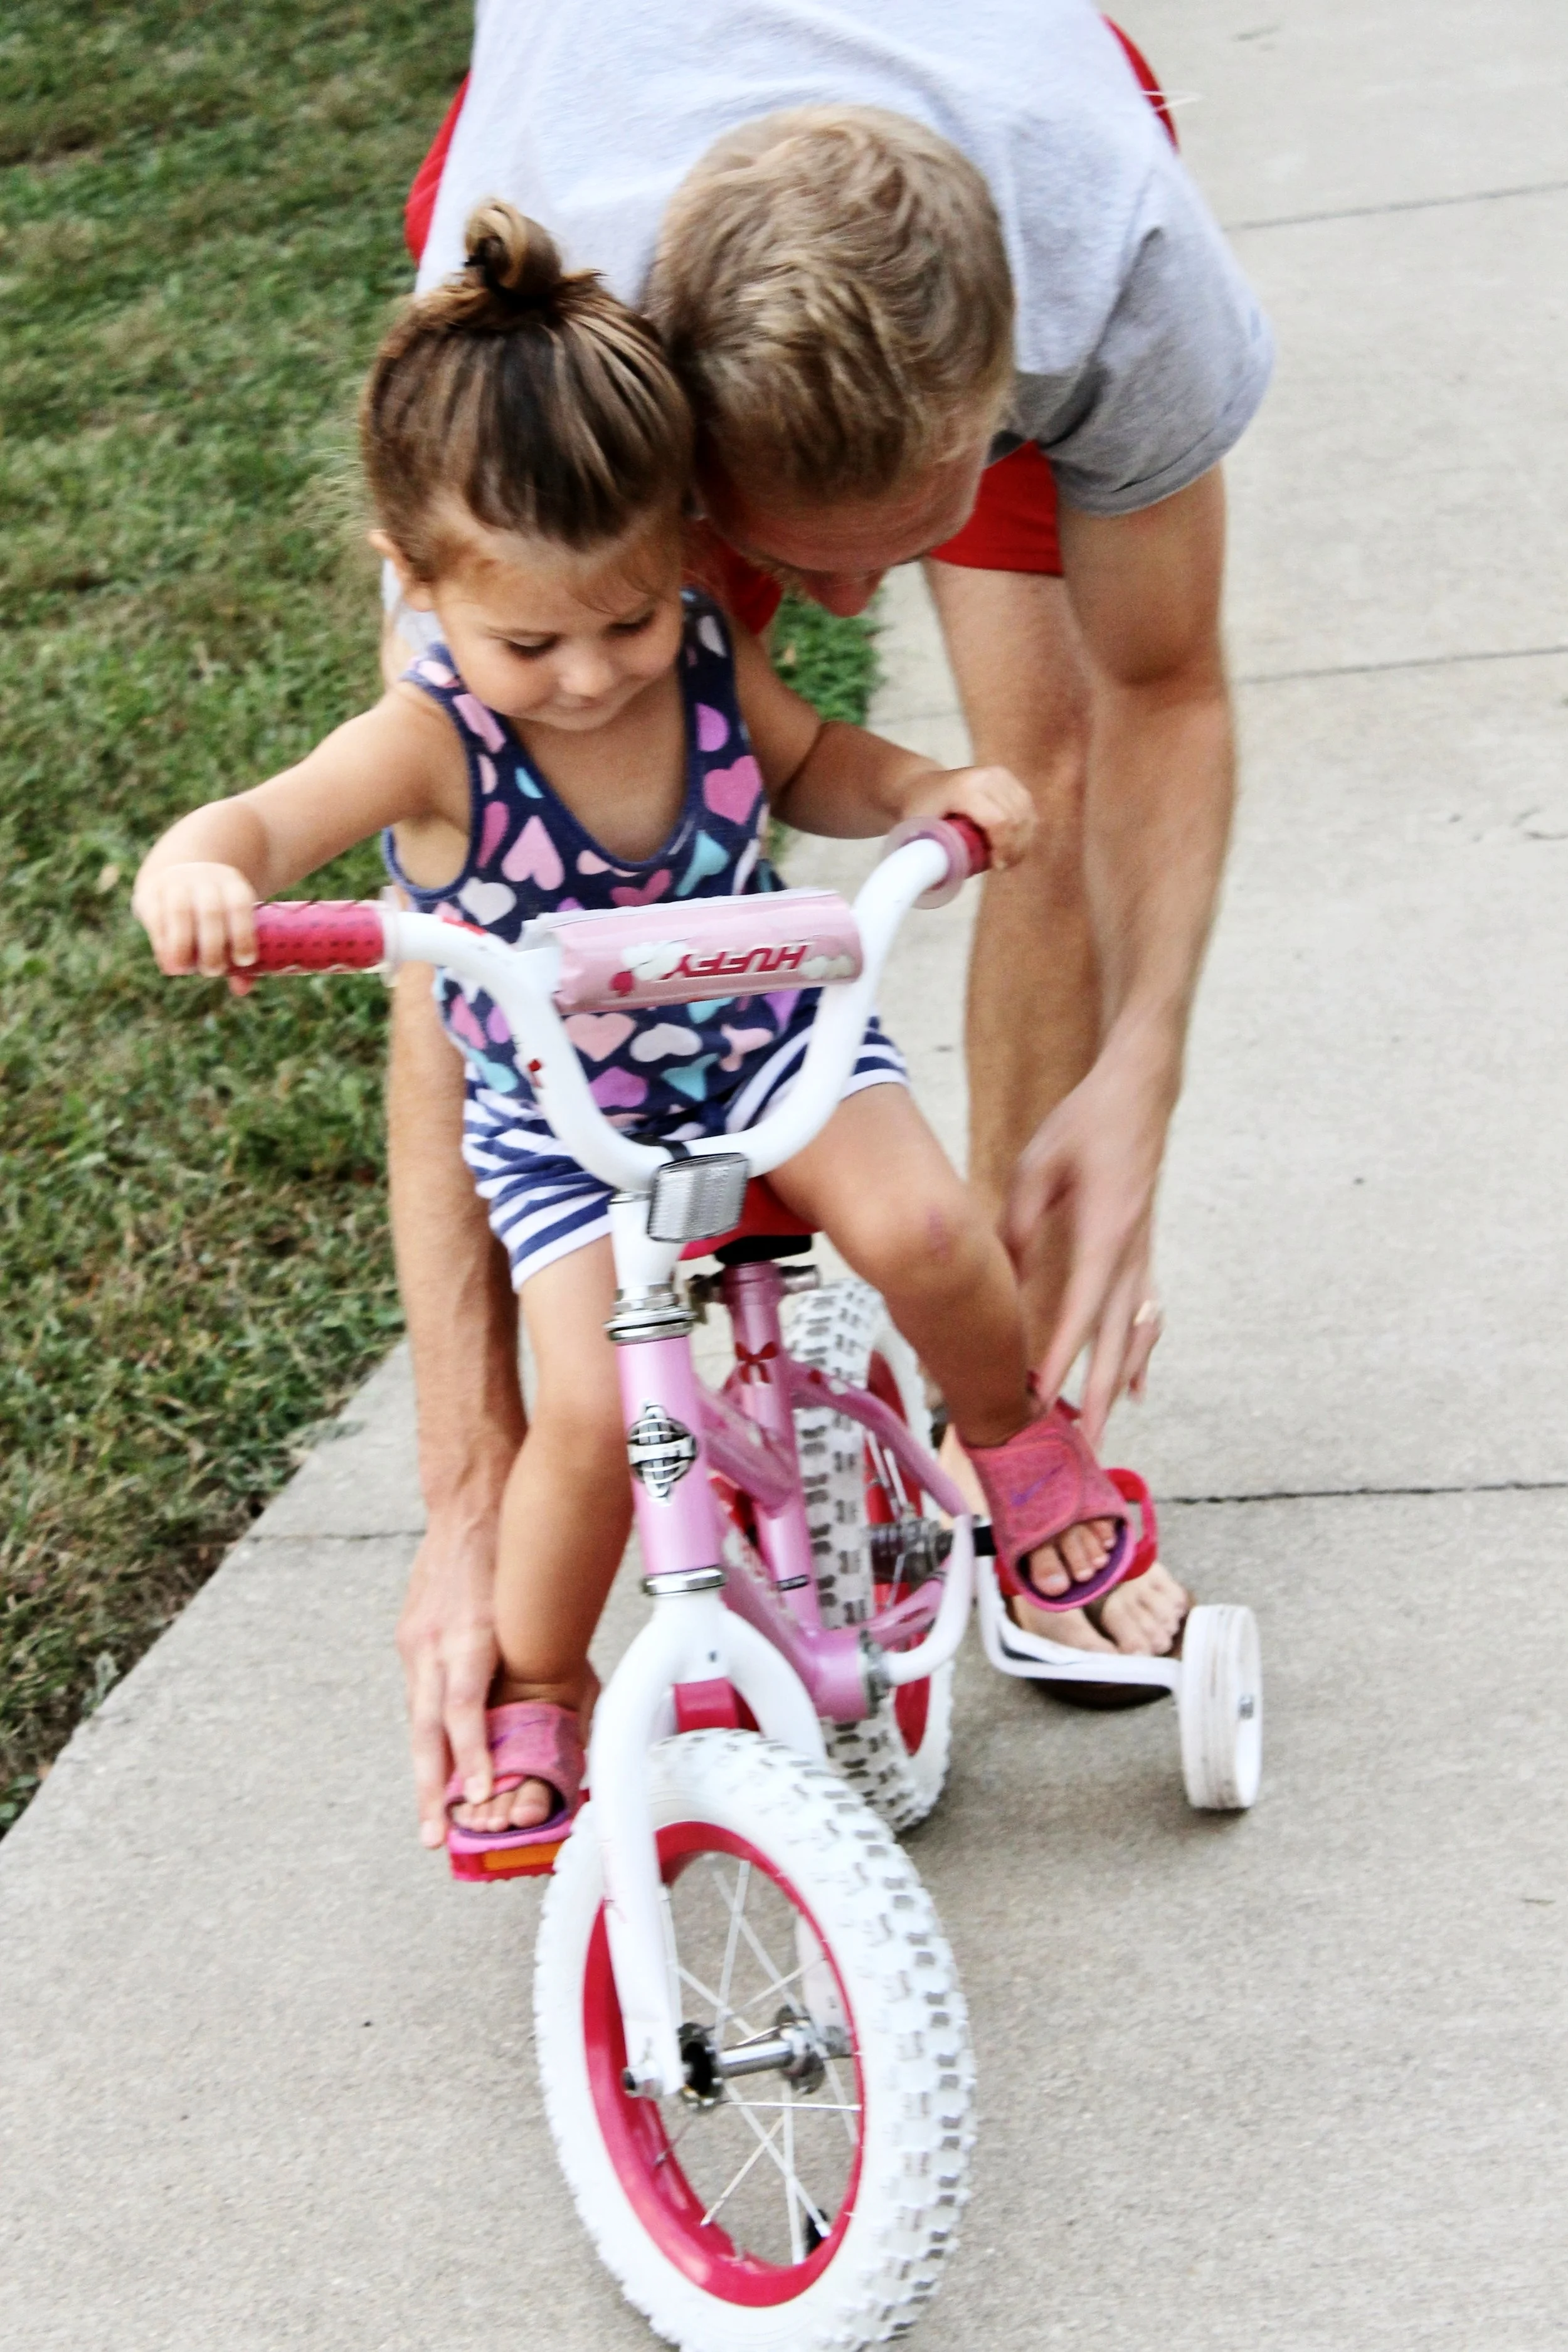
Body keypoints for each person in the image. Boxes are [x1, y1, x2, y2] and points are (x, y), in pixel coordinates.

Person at [134, 205, 1152, 1863]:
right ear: (417, 582)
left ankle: (1015, 1451)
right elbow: (256, 824)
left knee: (922, 1226)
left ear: (678, 545)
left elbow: (813, 755)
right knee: (592, 1416)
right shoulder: (430, 736)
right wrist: (200, 873)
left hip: (766, 1044)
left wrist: (921, 794)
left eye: (624, 613)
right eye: (531, 639)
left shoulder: (690, 651)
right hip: (567, 1125)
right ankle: (535, 1682)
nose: (595, 673)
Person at [389, 1, 1272, 1839]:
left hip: (991, 126)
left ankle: (1020, 1429)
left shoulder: (1109, 265)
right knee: (568, 744)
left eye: (912, 523)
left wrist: (1145, 1071)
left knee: (1025, 753)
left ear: (1001, 406)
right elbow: (448, 915)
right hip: (615, 116)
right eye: (794, 551)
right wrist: (464, 1493)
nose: (854, 593)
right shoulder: (544, 344)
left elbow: (1158, 691)